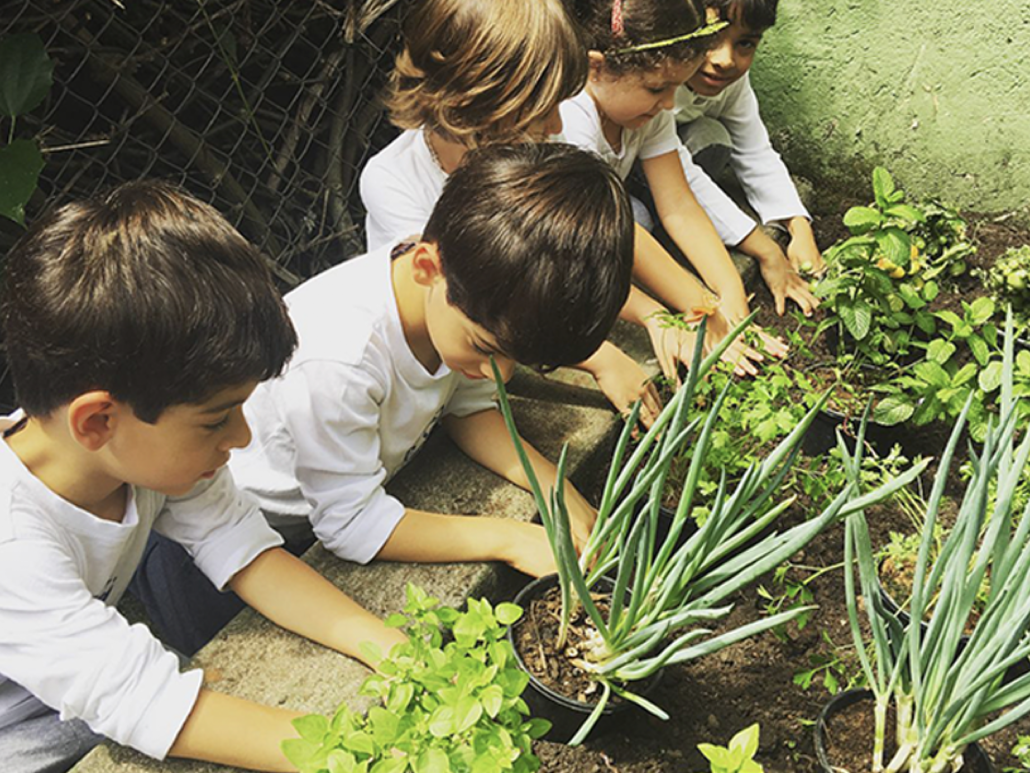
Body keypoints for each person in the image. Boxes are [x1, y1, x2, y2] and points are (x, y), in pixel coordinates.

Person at [0, 181, 406, 773]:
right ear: (97, 420)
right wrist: (389, 755)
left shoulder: (135, 457)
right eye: (216, 419)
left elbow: (244, 550)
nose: (241, 438)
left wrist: (393, 650)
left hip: (63, 681)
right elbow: (145, 701)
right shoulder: (11, 541)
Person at [232, 143, 633, 575]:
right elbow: (350, 525)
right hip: (251, 529)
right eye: (485, 348)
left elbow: (468, 407)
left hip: (332, 495)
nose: (500, 375)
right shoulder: (340, 360)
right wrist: (509, 538)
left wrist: (554, 489)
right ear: (427, 266)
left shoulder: (458, 303)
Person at [359, 0, 698, 408]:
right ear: (476, 103)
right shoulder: (392, 182)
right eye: (543, 111)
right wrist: (602, 359)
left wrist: (663, 312)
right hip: (455, 366)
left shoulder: (529, 143)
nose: (557, 126)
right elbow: (480, 300)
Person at [561, 0, 817, 352]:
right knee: (629, 225)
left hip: (605, 208)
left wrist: (731, 296)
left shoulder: (653, 103)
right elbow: (612, 229)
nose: (670, 104)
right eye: (657, 89)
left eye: (673, 89)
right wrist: (704, 306)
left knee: (637, 217)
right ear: (596, 68)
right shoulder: (571, 118)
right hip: (562, 228)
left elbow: (679, 205)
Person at [673, 0, 825, 302]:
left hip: (670, 161)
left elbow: (754, 150)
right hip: (635, 168)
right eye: (710, 38)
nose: (725, 59)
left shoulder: (731, 82)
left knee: (711, 139)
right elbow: (678, 175)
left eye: (745, 43)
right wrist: (763, 248)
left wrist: (798, 227)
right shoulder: (657, 78)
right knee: (637, 218)